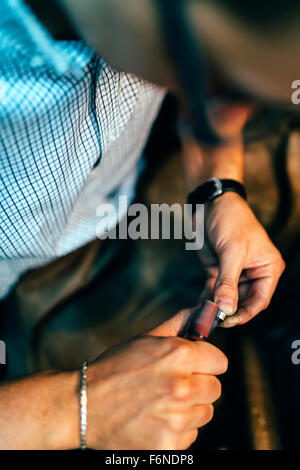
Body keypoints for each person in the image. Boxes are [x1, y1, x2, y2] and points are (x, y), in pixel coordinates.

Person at [0, 0, 289, 449]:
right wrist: (77, 408)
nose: (228, 108)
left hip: (103, 220)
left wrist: (218, 187)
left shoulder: (161, 23)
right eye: (212, 76)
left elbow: (214, 105)